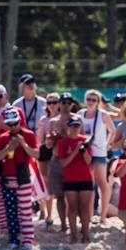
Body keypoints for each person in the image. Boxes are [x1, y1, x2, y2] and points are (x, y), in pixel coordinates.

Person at [0, 107, 39, 250]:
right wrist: (8, 148)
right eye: (10, 124)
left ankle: (27, 239)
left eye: (15, 123)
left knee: (25, 210)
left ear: (20, 121)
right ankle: (13, 239)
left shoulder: (29, 134)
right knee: (11, 210)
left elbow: (37, 155)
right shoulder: (3, 137)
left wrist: (23, 144)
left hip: (23, 176)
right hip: (7, 177)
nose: (13, 127)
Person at [80, 89, 116, 224]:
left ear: (98, 102)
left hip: (99, 152)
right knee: (90, 185)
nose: (90, 102)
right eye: (88, 99)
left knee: (102, 184)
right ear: (85, 101)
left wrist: (107, 145)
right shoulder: (80, 114)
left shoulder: (103, 115)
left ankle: (103, 216)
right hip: (85, 153)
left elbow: (113, 131)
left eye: (94, 100)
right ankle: (89, 216)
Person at [57, 117, 93, 244]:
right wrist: (75, 151)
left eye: (77, 126)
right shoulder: (63, 142)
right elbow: (63, 163)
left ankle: (85, 233)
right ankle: (73, 234)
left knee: (84, 208)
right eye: (72, 126)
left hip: (85, 178)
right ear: (68, 127)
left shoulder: (85, 141)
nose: (75, 129)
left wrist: (83, 151)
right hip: (70, 179)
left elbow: (89, 162)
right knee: (72, 207)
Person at [46, 93, 77, 233]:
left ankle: (72, 224)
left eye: (68, 102)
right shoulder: (53, 121)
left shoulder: (77, 120)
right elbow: (47, 144)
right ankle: (64, 224)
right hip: (57, 159)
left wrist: (65, 136)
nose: (65, 105)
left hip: (72, 161)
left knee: (72, 196)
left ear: (72, 104)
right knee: (59, 195)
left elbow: (79, 139)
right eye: (63, 102)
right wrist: (53, 139)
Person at [37, 92, 60, 229]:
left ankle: (49, 215)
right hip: (45, 151)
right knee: (45, 184)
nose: (52, 105)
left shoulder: (62, 119)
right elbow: (40, 140)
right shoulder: (44, 119)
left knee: (54, 185)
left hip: (57, 152)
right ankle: (45, 213)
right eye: (49, 102)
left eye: (55, 102)